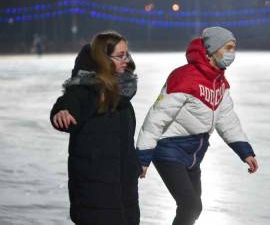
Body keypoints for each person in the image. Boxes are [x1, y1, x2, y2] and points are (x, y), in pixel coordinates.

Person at [136, 26, 259, 225]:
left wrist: (245, 151)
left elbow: (226, 118)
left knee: (195, 208)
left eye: (233, 48)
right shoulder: (185, 77)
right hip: (169, 150)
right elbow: (157, 117)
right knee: (190, 206)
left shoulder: (219, 82)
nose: (232, 54)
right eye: (228, 48)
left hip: (194, 153)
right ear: (212, 49)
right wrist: (143, 156)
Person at [50, 31, 141, 225]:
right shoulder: (85, 88)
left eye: (127, 54)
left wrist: (134, 163)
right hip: (95, 187)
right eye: (120, 55)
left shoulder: (122, 92)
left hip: (123, 185)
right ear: (104, 59)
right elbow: (69, 102)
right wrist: (62, 111)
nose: (126, 60)